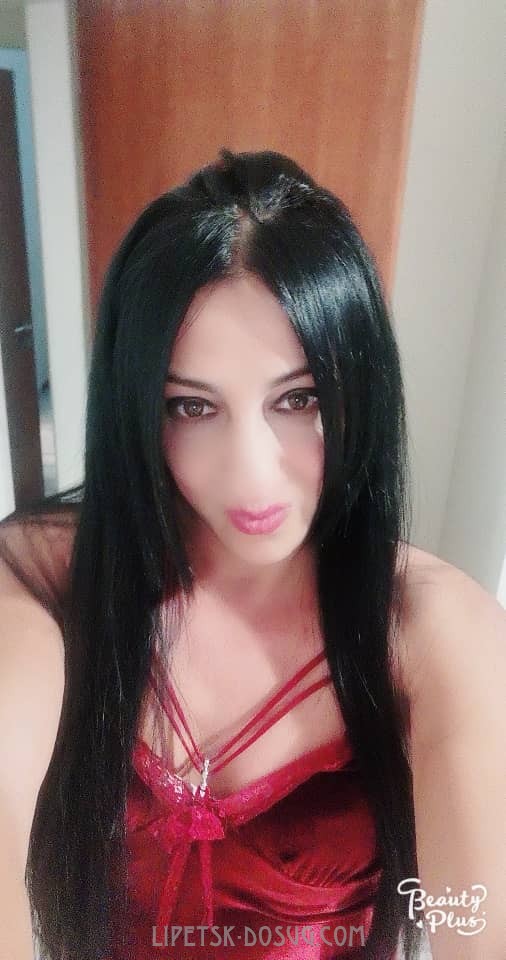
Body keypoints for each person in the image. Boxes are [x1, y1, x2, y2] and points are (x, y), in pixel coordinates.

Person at [0, 149, 504, 960]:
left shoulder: (431, 628)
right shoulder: (45, 579)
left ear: (360, 390)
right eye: (192, 407)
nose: (250, 473)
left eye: (298, 398)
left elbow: (477, 921)